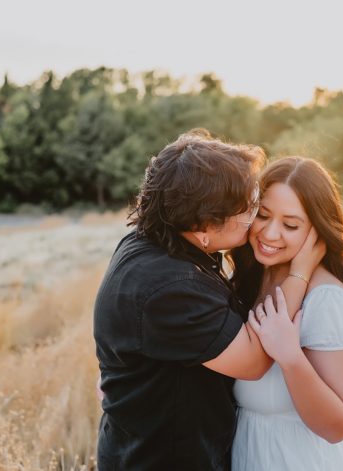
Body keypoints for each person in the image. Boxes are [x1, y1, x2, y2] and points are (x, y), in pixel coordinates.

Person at [92, 129, 324, 469]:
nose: (253, 218)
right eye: (248, 211)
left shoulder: (155, 239)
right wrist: (299, 273)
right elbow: (254, 361)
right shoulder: (171, 287)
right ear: (204, 228)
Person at [231, 157, 343, 470]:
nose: (270, 234)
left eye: (290, 225)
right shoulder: (251, 277)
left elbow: (337, 425)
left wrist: (290, 358)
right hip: (249, 455)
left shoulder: (326, 299)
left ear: (317, 230)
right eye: (263, 215)